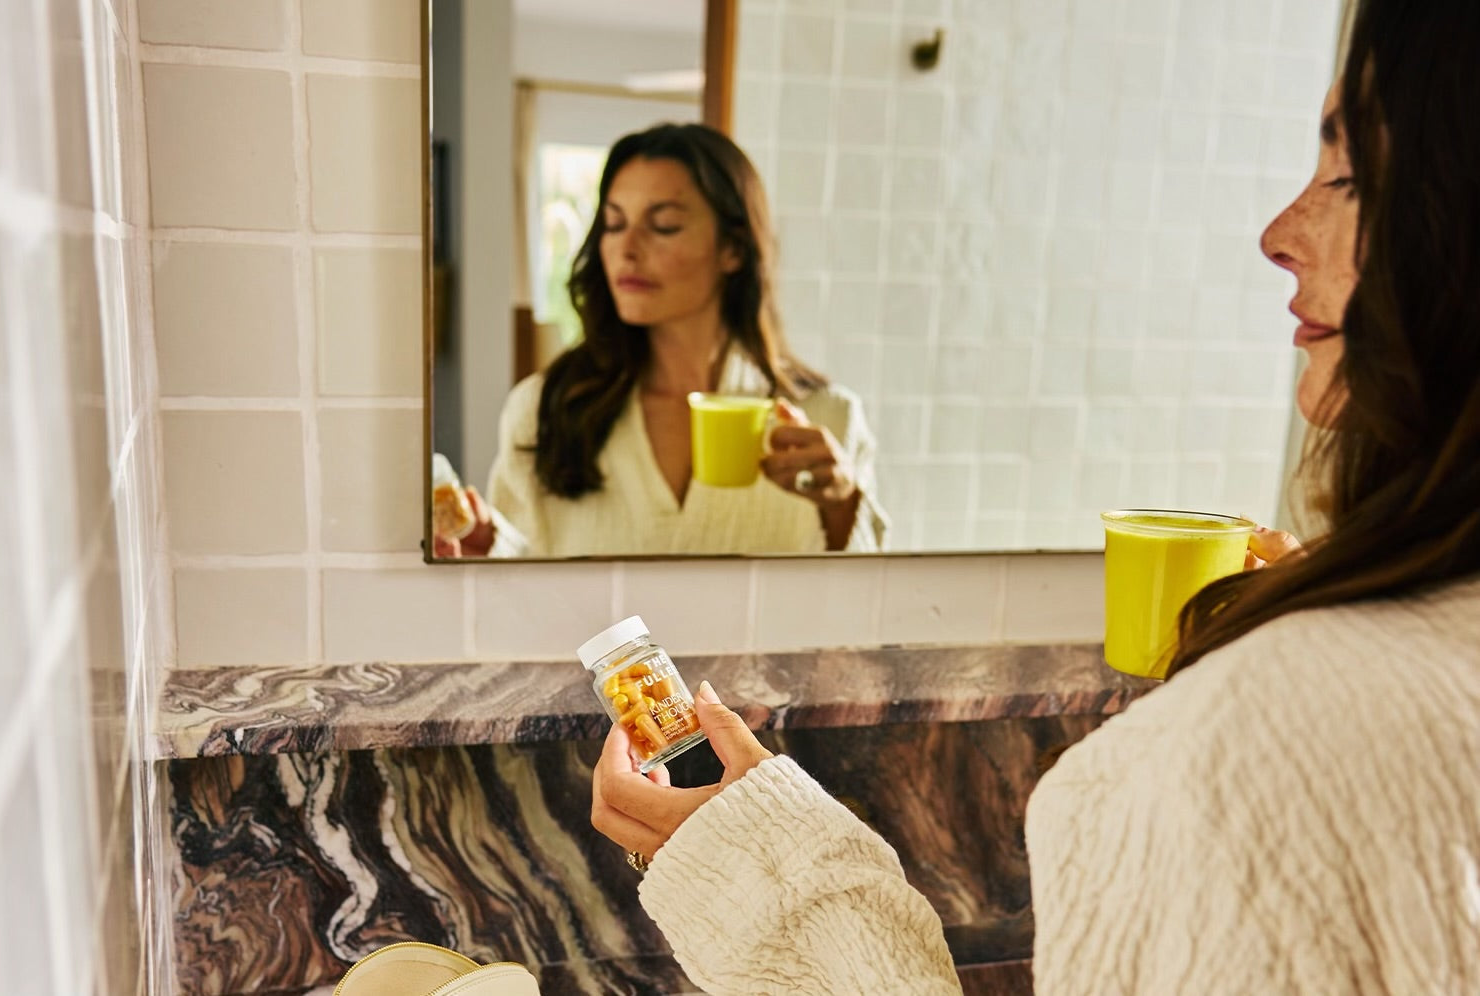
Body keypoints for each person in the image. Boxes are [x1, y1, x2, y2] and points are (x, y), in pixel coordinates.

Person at [589, 1, 1480, 992]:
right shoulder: (556, 411)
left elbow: (861, 558)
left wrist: (761, 868)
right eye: (615, 223)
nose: (1276, 234)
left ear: (730, 251)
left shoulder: (1250, 754)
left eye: (1349, 173)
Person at [433, 124, 887, 558]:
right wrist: (489, 546)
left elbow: (872, 610)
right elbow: (520, 587)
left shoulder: (828, 419)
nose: (626, 249)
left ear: (733, 249)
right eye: (613, 224)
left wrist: (842, 504)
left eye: (663, 225)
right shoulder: (545, 409)